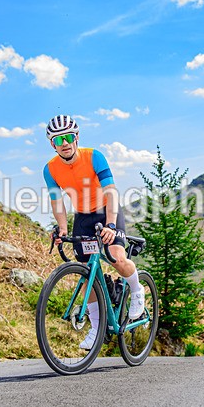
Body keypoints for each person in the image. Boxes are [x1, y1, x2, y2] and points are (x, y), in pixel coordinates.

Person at [43, 114, 145, 350]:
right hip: (83, 218)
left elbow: (110, 191)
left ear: (76, 137)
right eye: (59, 140)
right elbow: (57, 202)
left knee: (117, 257)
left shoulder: (94, 157)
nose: (65, 143)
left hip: (107, 211)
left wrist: (110, 225)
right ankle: (97, 328)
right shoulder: (50, 169)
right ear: (52, 144)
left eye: (68, 137)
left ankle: (137, 290)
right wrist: (62, 229)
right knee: (87, 273)